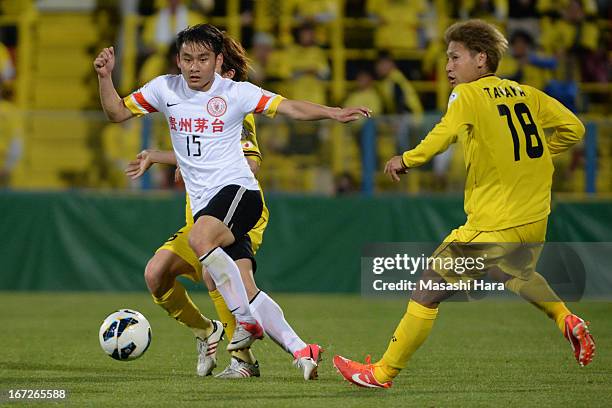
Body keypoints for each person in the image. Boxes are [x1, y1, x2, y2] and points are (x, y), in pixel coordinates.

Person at [333, 19, 594, 389]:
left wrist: (407, 159)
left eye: (455, 57)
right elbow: (575, 129)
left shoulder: (468, 96)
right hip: (534, 219)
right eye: (447, 58)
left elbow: (444, 132)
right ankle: (566, 318)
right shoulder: (526, 94)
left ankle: (382, 373)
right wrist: (537, 159)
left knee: (428, 286)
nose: (448, 67)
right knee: (513, 273)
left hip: (495, 221)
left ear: (481, 59)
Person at [94, 23, 369, 373]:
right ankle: (302, 351)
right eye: (187, 59)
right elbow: (116, 113)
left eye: (203, 59)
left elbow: (290, 109)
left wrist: (333, 112)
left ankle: (243, 328)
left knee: (204, 246)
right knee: (236, 283)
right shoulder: (164, 89)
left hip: (240, 195)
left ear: (218, 60)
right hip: (207, 207)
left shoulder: (236, 93)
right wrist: (105, 77)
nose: (194, 67)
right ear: (177, 60)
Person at [124, 34, 323, 380]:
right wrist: (165, 158)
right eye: (190, 62)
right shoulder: (185, 102)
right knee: (158, 273)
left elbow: (249, 166)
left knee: (220, 278)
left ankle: (250, 357)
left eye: (216, 68)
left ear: (224, 72)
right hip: (200, 215)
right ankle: (209, 333)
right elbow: (197, 150)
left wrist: (187, 165)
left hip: (234, 208)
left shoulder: (238, 109)